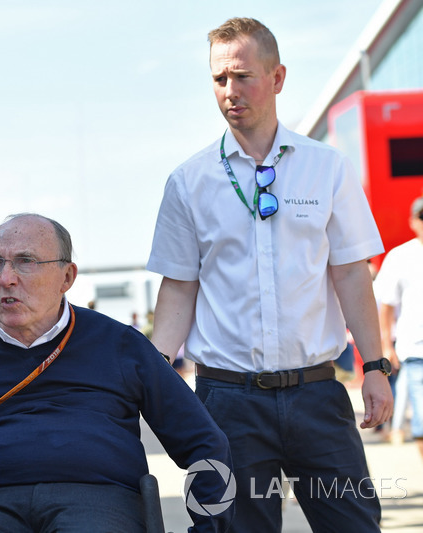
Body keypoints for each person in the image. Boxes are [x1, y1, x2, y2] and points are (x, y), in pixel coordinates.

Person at [146, 17, 392, 533]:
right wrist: (156, 373)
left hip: (317, 396)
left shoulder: (327, 168)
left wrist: (374, 365)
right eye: (219, 80)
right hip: (225, 403)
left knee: (355, 525)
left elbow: (351, 273)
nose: (230, 92)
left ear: (277, 77)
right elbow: (179, 287)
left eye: (242, 76)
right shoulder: (189, 182)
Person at [0, 213, 234, 533]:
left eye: (25, 262)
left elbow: (206, 443)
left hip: (97, 501)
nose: (5, 278)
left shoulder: (119, 344)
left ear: (67, 277)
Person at [375, 196, 423, 458]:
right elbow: (387, 305)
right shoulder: (401, 256)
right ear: (413, 222)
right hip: (416, 350)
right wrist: (385, 345)